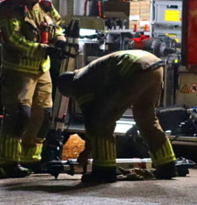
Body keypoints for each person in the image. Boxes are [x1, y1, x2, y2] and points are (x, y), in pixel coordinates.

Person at [56, 49, 177, 184]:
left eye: (68, 94)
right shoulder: (88, 72)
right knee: (146, 118)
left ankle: (104, 171)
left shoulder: (80, 83)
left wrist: (87, 151)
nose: (72, 97)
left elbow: (92, 121)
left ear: (69, 87)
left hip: (134, 69)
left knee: (103, 122)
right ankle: (167, 165)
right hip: (154, 65)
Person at [0, 0, 63, 179]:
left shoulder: (43, 1)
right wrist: (43, 49)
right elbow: (13, 39)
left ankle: (31, 159)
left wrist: (60, 39)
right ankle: (6, 162)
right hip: (18, 71)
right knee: (18, 116)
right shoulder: (10, 6)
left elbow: (57, 23)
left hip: (42, 70)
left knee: (43, 116)